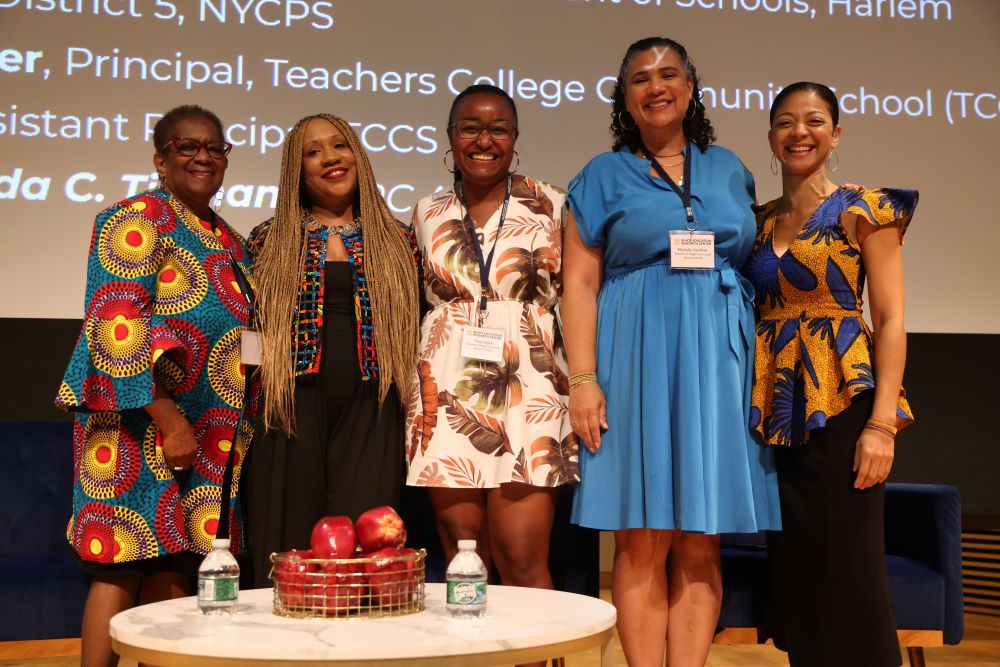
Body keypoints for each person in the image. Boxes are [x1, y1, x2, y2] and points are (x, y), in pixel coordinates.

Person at [562, 38, 781, 667]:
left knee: (701, 539)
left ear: (690, 87)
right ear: (624, 98)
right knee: (640, 538)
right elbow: (578, 283)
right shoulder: (600, 176)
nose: (655, 86)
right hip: (634, 356)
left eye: (668, 74)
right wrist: (583, 378)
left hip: (719, 360)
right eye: (639, 78)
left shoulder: (730, 168)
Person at [55, 105, 255, 667]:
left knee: (173, 565)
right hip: (136, 422)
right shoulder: (135, 217)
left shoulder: (230, 240)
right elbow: (116, 325)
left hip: (209, 429)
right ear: (160, 158)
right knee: (121, 567)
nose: (204, 157)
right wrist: (169, 420)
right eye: (187, 147)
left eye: (215, 148)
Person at [744, 81, 915, 667]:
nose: (800, 132)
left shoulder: (864, 209)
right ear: (771, 137)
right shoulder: (759, 221)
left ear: (835, 133)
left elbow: (890, 320)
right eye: (786, 122)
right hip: (776, 411)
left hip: (844, 403)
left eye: (814, 120)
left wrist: (883, 425)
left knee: (850, 574)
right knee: (798, 577)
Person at [406, 84, 578, 599]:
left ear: (515, 138)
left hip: (532, 386)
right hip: (446, 388)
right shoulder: (424, 213)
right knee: (464, 557)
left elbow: (581, 295)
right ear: (451, 137)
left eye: (498, 128)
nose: (484, 140)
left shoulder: (554, 204)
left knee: (522, 556)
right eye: (471, 128)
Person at [246, 114, 421, 587]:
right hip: (289, 403)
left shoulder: (399, 239)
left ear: (358, 156)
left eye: (340, 145)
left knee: (369, 541)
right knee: (289, 539)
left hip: (374, 400)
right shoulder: (268, 240)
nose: (330, 158)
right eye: (313, 151)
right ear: (295, 171)